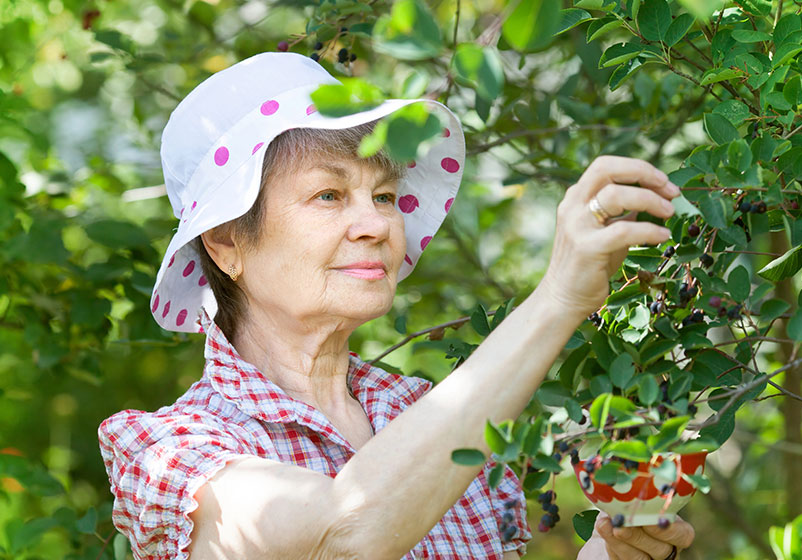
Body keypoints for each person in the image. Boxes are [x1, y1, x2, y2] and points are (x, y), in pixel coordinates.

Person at [97, 52, 695, 559]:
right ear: (227, 242)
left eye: (384, 195)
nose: (377, 224)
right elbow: (344, 533)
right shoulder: (168, 449)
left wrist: (611, 554)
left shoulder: (418, 411)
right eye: (329, 194)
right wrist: (559, 298)